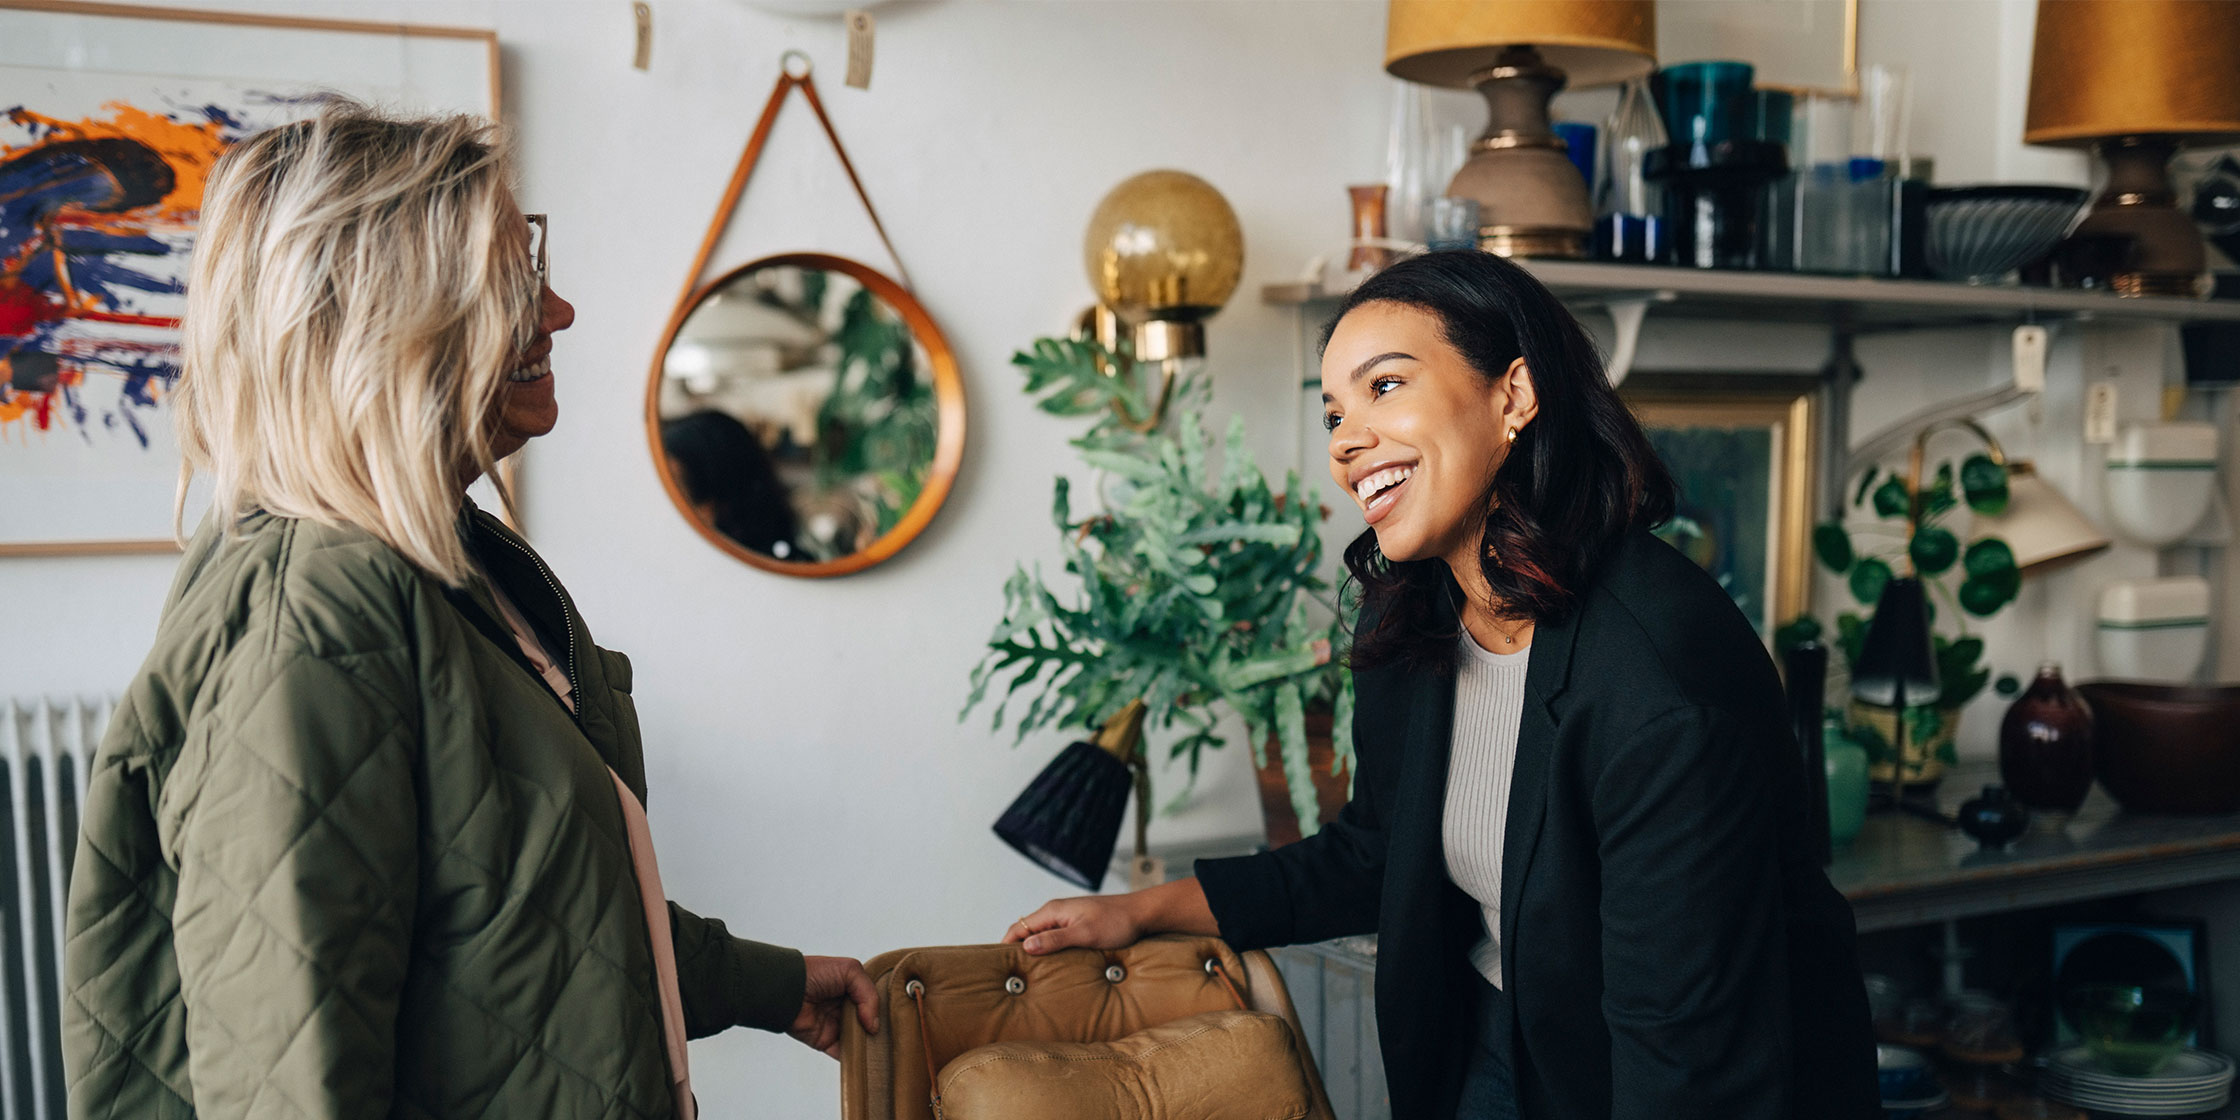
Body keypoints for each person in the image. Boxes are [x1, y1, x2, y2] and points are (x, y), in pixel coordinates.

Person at [62, 103, 874, 1119]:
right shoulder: (310, 618)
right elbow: (288, 1079)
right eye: (512, 281)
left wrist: (768, 984)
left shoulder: (449, 562)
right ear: (386, 317)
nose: (559, 311)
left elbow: (531, 915)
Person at [1006, 251, 1879, 1120]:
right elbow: (1380, 850)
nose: (1345, 442)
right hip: (1493, 1040)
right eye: (1334, 414)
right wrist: (1143, 911)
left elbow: (1687, 1068)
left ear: (1515, 396)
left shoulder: (1657, 682)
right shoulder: (1415, 615)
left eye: (1385, 386)